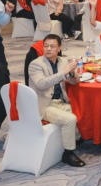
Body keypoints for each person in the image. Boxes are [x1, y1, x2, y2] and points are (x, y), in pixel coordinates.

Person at [27, 34, 84, 167]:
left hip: (61, 101)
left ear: (59, 48)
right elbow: (41, 84)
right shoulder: (35, 64)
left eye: (52, 46)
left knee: (83, 111)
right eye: (46, 46)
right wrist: (63, 73)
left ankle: (75, 139)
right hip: (44, 105)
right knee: (70, 119)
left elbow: (75, 82)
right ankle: (68, 154)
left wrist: (71, 73)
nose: (48, 49)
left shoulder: (63, 61)